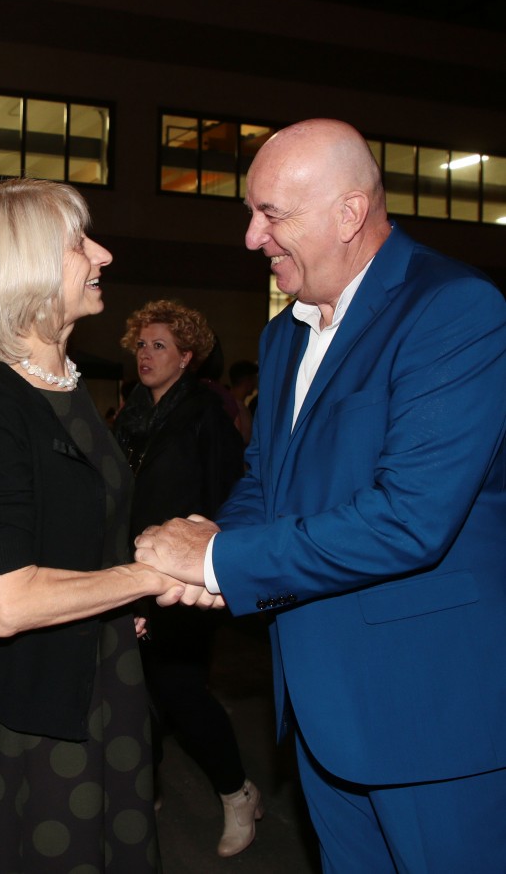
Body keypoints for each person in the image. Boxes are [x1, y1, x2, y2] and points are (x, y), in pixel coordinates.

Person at [134, 119, 506, 873]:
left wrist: (219, 561)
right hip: (318, 710)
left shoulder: (454, 309)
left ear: (349, 213)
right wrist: (212, 549)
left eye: (271, 214)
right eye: (252, 213)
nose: (252, 237)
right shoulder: (285, 334)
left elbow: (411, 520)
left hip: (430, 717)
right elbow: (266, 479)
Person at [0, 178, 188, 874]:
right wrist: (146, 577)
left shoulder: (62, 387)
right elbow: (6, 602)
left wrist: (121, 594)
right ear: (26, 269)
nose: (102, 253)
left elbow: (75, 529)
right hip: (34, 715)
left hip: (99, 681)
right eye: (79, 243)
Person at [114, 299, 263, 858]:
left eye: (160, 345)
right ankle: (145, 790)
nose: (146, 354)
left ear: (186, 357)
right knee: (136, 691)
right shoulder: (131, 415)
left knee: (178, 690)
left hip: (184, 580)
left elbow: (229, 497)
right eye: (141, 344)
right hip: (130, 572)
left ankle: (237, 792)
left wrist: (213, 572)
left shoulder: (204, 414)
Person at [228, 359, 258, 445]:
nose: (256, 383)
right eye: (255, 378)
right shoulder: (234, 407)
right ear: (248, 381)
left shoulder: (238, 405)